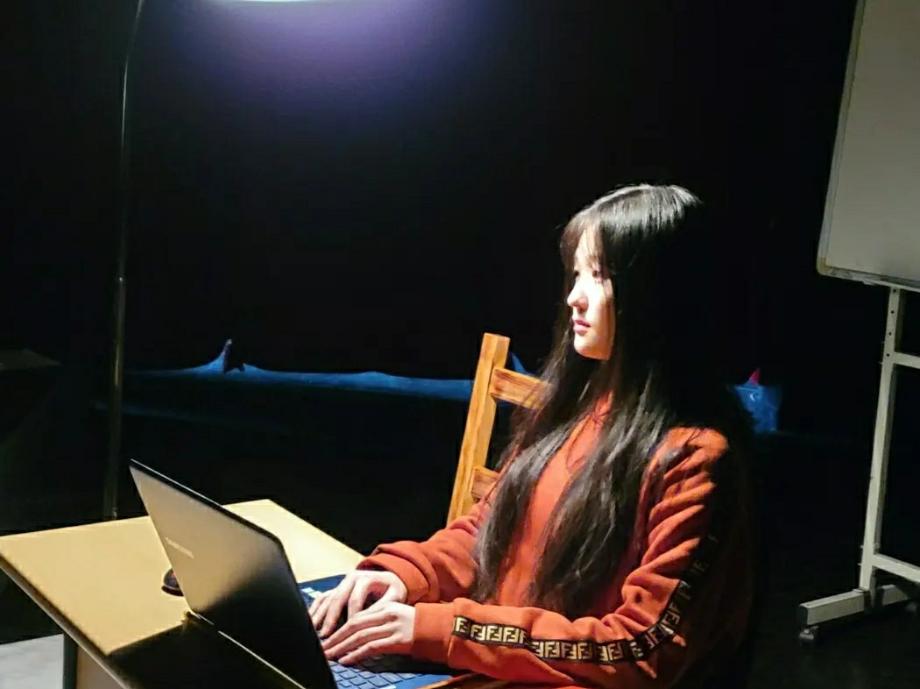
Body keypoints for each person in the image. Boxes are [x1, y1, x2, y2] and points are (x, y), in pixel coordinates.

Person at [309, 184, 754, 688]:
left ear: (658, 296)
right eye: (577, 273)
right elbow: (489, 531)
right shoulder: (575, 410)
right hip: (496, 669)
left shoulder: (696, 458)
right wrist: (407, 577)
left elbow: (641, 648)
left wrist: (444, 629)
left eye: (600, 276)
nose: (574, 297)